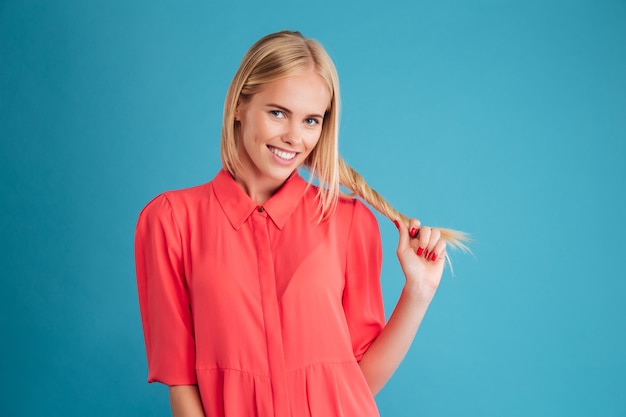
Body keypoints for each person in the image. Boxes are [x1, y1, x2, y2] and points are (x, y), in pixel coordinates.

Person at [135, 30, 468, 417]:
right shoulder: (171, 220)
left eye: (311, 120)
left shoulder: (349, 222)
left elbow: (361, 382)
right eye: (278, 112)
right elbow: (182, 384)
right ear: (239, 105)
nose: (294, 137)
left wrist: (418, 292)